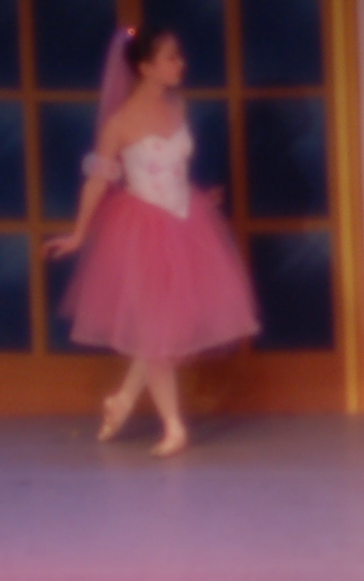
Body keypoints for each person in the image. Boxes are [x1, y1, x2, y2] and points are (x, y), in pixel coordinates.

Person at [45, 24, 260, 456]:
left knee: (165, 331)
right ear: (145, 67)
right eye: (170, 58)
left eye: (179, 56)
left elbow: (174, 169)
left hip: (185, 223)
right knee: (155, 332)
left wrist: (198, 197)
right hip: (141, 230)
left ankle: (123, 401)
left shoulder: (178, 108)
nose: (180, 64)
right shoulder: (120, 122)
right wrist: (80, 233)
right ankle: (173, 426)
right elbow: (97, 181)